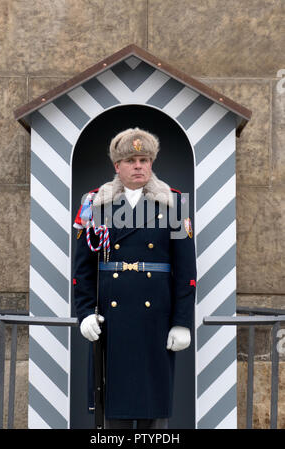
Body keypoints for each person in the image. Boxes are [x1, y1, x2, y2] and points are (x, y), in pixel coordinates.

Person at [72, 127, 197, 429]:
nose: (138, 165)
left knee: (153, 411)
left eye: (144, 159)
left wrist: (181, 321)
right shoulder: (95, 203)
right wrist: (86, 312)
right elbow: (83, 269)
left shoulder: (174, 203)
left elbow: (186, 272)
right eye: (130, 160)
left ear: (152, 163)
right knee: (113, 410)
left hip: (156, 320)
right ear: (117, 166)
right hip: (112, 322)